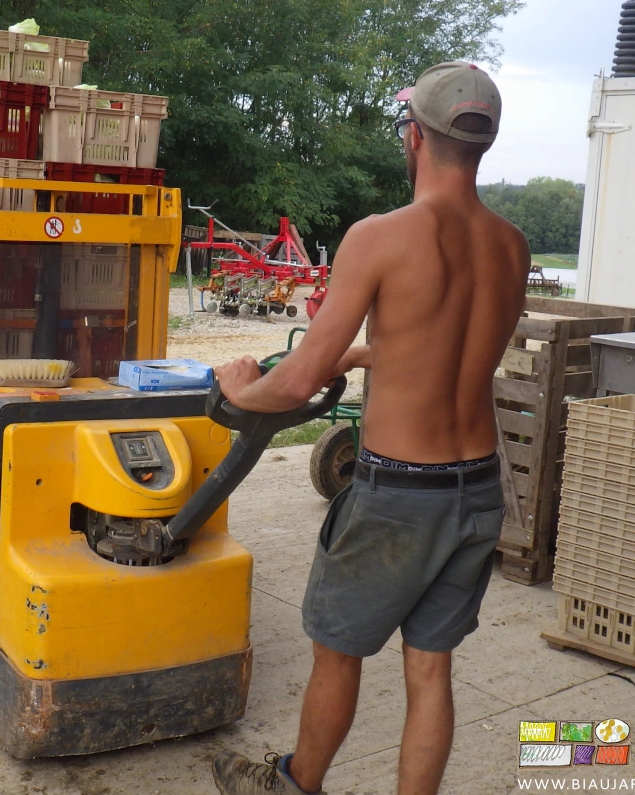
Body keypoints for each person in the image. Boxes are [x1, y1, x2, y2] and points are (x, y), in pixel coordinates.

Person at [209, 62, 530, 795]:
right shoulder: (512, 247)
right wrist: (363, 351)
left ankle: (293, 784)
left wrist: (241, 387)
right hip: (477, 488)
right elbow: (442, 341)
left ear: (413, 137)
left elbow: (293, 381)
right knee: (430, 667)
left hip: (396, 498)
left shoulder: (380, 236)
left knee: (337, 652)